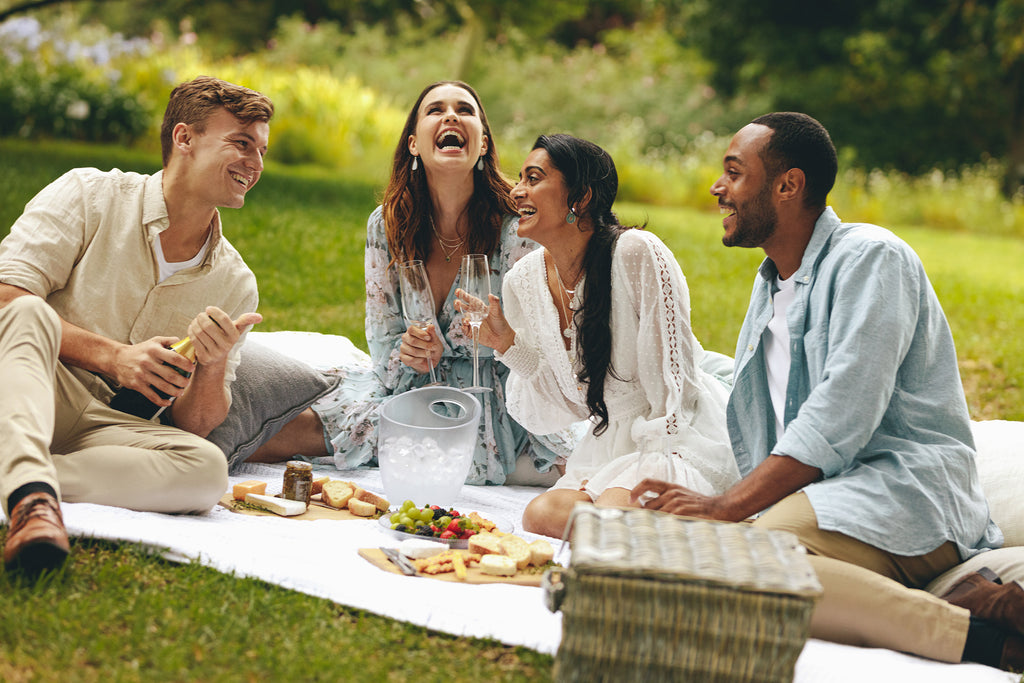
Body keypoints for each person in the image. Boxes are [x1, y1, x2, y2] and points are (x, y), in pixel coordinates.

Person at [631, 112, 1023, 671]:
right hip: (832, 505)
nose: (718, 188)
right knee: (707, 566)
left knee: (744, 560)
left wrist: (727, 506)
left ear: (788, 186)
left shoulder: (871, 258)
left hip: (907, 497)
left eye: (734, 173)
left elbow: (841, 412)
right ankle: (947, 603)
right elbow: (746, 394)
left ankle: (981, 637)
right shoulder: (769, 287)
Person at [0, 76, 271, 572]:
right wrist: (114, 357)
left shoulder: (236, 283)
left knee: (206, 472)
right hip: (33, 385)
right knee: (27, 310)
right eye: (241, 142)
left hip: (108, 428)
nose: (255, 163)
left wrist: (209, 368)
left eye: (261, 149)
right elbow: (6, 297)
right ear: (184, 138)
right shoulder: (89, 194)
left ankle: (22, 474)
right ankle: (33, 504)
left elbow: (195, 424)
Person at [251, 81, 578, 484]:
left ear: (482, 145)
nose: (451, 116)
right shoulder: (387, 225)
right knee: (267, 430)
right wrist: (406, 353)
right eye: (435, 110)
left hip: (497, 396)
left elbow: (542, 346)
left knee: (585, 468)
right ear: (413, 144)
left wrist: (493, 343)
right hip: (408, 387)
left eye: (465, 109)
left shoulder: (517, 229)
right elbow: (384, 336)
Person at [460, 133, 741, 538]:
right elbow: (565, 408)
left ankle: (676, 522)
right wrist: (507, 346)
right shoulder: (525, 279)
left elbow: (675, 389)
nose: (517, 190)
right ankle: (644, 526)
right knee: (540, 515)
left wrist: (652, 465)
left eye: (534, 178)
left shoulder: (638, 253)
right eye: (520, 178)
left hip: (676, 429)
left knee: (609, 517)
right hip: (608, 439)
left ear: (582, 196)